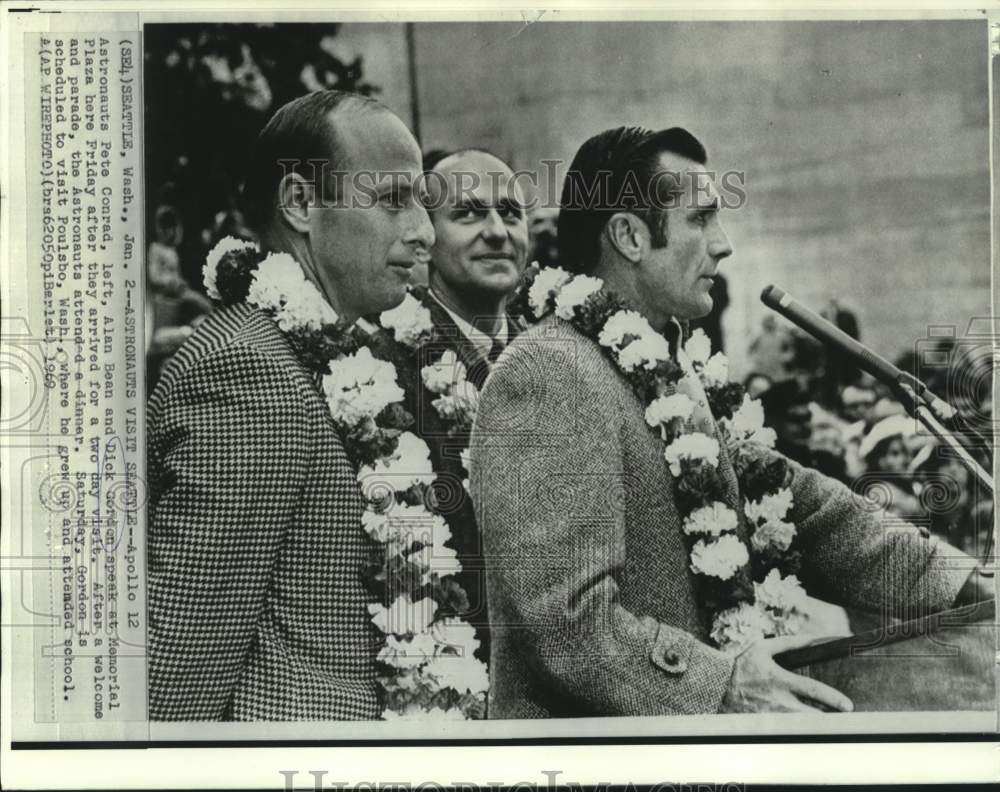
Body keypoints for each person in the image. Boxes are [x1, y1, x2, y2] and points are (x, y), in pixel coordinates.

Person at [469, 125, 989, 718]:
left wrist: (962, 584)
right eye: (700, 219)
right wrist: (722, 684)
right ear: (630, 236)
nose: (723, 244)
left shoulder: (676, 365)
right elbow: (567, 624)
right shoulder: (548, 371)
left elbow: (808, 506)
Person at [146, 90, 434, 720]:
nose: (424, 232)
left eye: (421, 201)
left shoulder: (326, 352)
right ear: (302, 204)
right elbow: (180, 659)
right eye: (393, 200)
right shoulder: (251, 370)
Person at [406, 148, 530, 663]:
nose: (498, 231)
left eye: (511, 213)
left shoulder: (563, 357)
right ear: (425, 239)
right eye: (470, 213)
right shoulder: (384, 367)